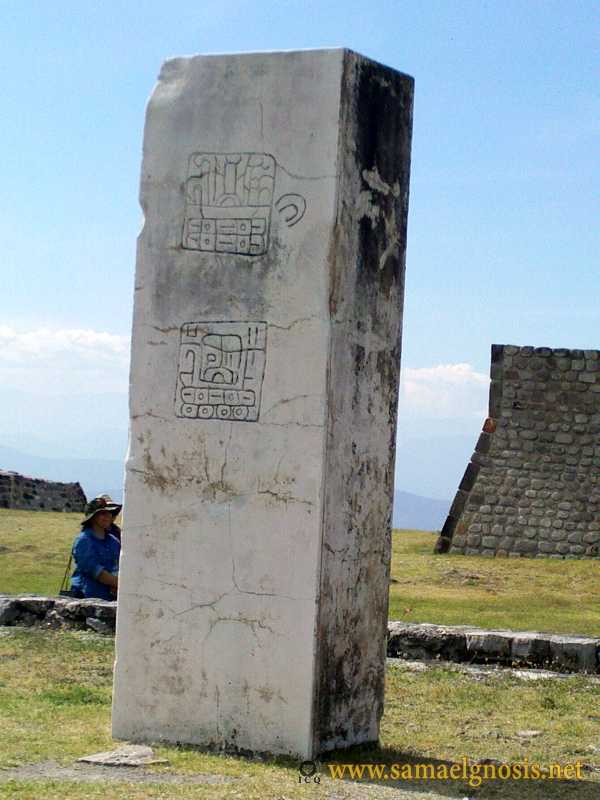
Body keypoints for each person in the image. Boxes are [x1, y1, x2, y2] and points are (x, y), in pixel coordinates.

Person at [70, 497, 122, 600]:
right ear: (93, 517)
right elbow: (97, 572)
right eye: (103, 513)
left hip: (110, 599)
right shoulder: (83, 541)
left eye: (109, 513)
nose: (108, 516)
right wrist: (121, 584)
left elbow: (119, 566)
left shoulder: (113, 541)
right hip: (86, 600)